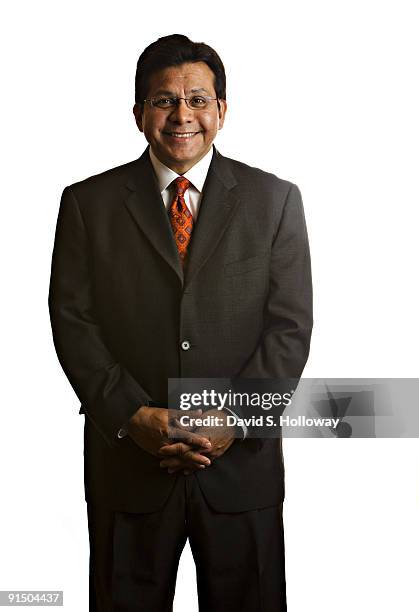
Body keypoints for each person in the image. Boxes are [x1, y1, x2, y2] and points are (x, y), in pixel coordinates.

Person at [48, 33, 313, 612]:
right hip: (130, 466)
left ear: (222, 109)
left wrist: (234, 419)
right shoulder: (87, 205)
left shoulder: (275, 201)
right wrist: (133, 415)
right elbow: (73, 321)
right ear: (139, 112)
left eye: (197, 99)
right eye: (165, 100)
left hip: (241, 471)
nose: (182, 115)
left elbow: (289, 329)